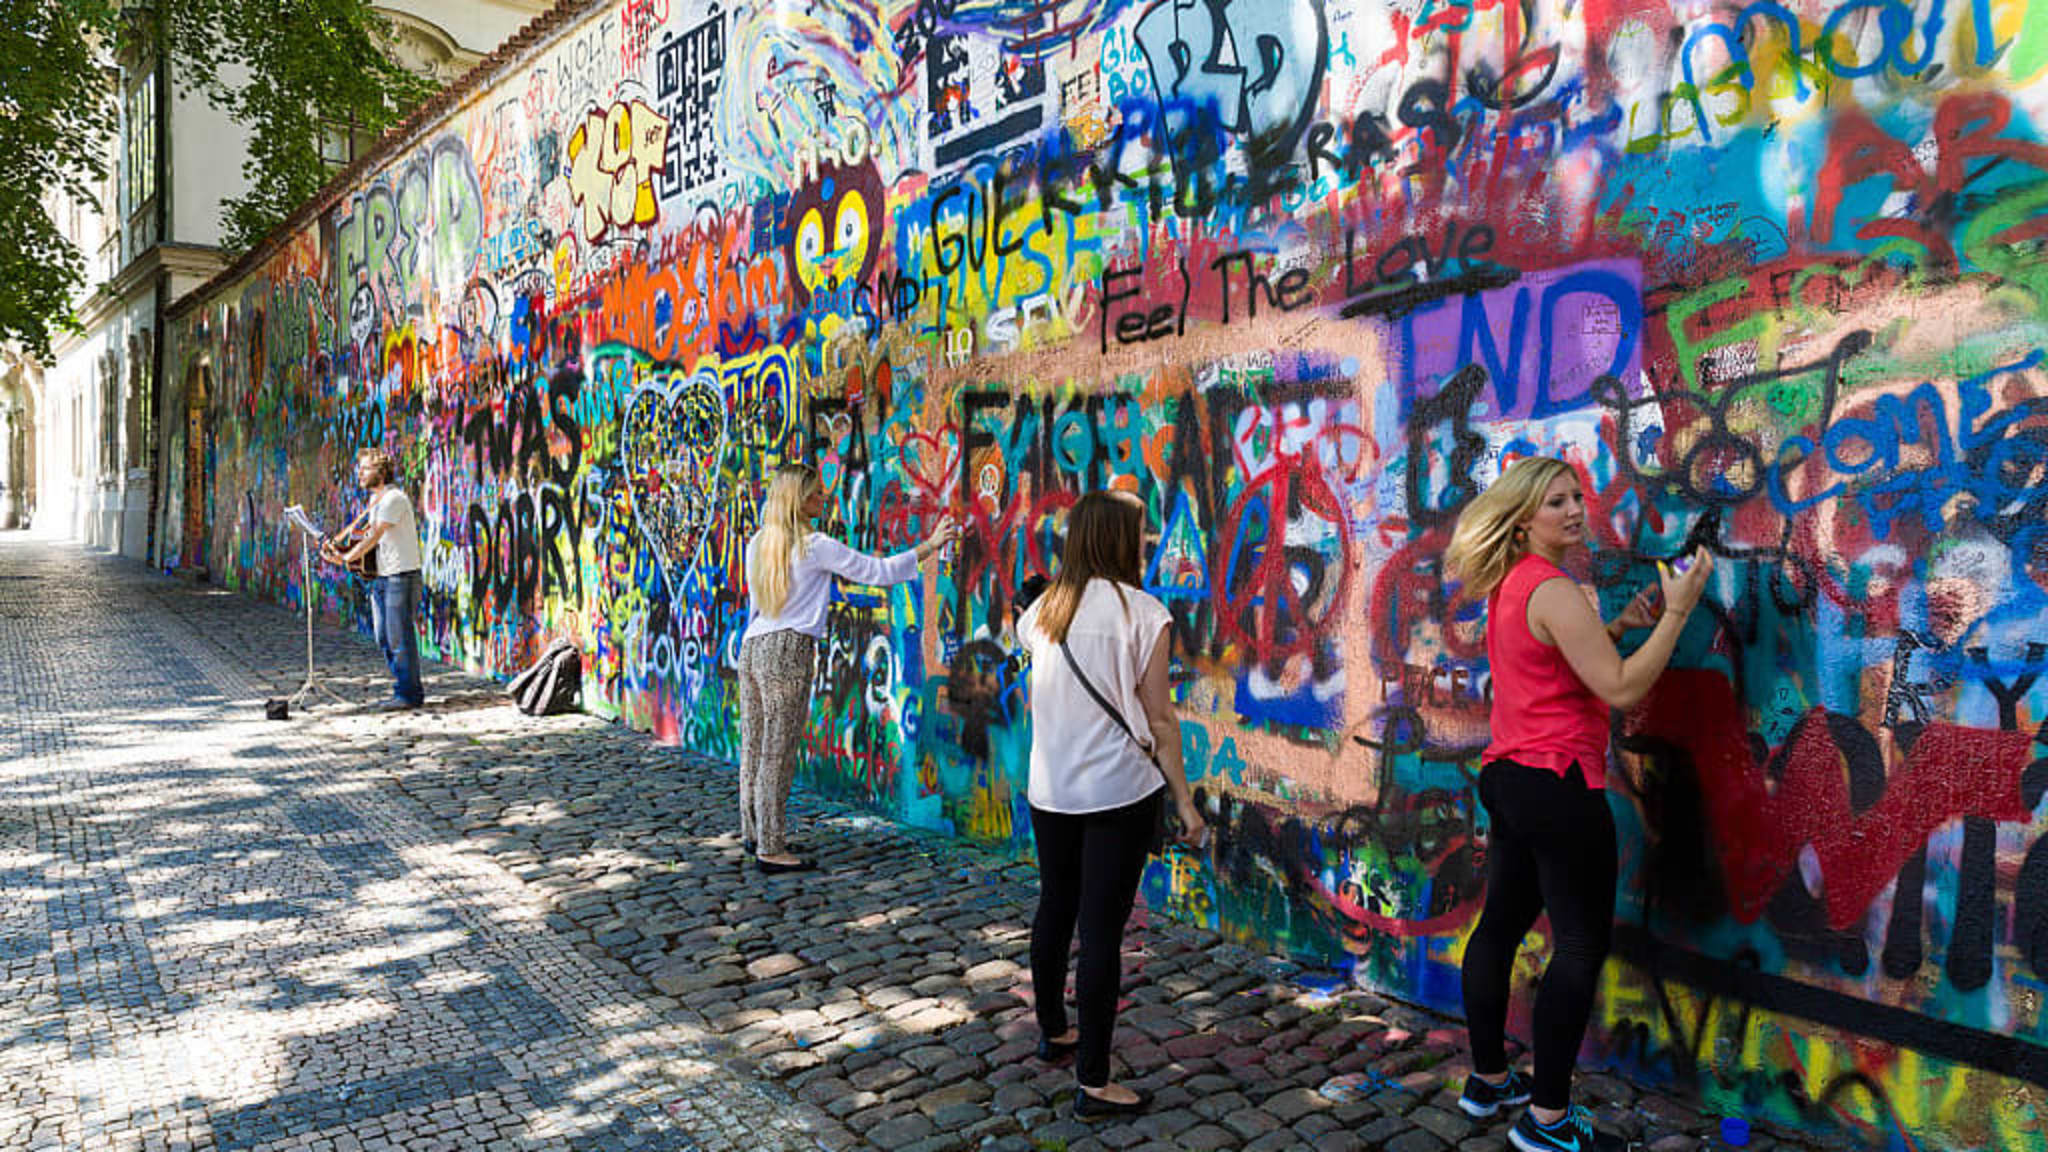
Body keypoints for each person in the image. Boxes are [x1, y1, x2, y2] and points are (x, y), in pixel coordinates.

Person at [1443, 457, 1713, 1152]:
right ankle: (1549, 1121)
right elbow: (1620, 689)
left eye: (1574, 497)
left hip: (1511, 780)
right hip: (1558, 786)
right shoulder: (1555, 588)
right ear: (1524, 515)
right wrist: (1678, 611)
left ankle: (1488, 1081)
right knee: (1581, 943)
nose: (1573, 510)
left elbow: (1564, 667)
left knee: (1499, 927)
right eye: (1555, 501)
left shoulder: (1514, 582)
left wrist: (1619, 623)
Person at [1017, 490, 1207, 1120]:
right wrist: (1184, 801)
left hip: (1052, 792)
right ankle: (1094, 1081)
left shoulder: (1044, 610)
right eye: (1141, 532)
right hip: (1119, 794)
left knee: (1055, 907)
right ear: (1121, 540)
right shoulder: (1143, 614)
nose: (1148, 541)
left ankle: (1054, 1029)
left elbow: (1032, 650)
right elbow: (1159, 718)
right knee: (1101, 932)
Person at [739, 463, 956, 874]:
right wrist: (930, 545)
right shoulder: (814, 545)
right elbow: (880, 572)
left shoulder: (758, 544)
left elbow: (755, 604)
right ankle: (771, 846)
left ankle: (754, 832)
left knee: (753, 745)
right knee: (778, 750)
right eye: (817, 494)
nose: (825, 499)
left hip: (753, 644)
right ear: (799, 501)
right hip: (787, 648)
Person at [323, 448, 425, 711]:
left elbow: (373, 537)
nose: (360, 473)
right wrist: (341, 553)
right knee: (383, 636)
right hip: (383, 576)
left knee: (399, 638)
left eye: (366, 468)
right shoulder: (377, 502)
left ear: (381, 472)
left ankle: (408, 694)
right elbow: (366, 540)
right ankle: (404, 687)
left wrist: (347, 559)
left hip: (400, 576)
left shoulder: (393, 499)